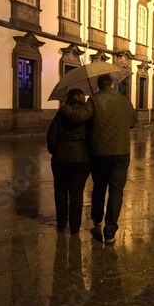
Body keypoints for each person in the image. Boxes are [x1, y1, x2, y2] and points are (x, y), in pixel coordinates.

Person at [60, 73, 136, 245]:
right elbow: (132, 122)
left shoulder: (93, 101)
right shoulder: (125, 101)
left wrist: (66, 108)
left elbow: (79, 117)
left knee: (99, 187)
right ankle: (110, 232)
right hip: (121, 153)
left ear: (98, 86)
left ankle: (97, 218)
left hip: (99, 153)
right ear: (113, 84)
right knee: (116, 191)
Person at [46, 89, 90, 235]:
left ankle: (61, 224)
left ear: (68, 99)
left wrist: (57, 151)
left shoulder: (60, 114)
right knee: (77, 193)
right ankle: (75, 228)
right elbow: (92, 137)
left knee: (60, 190)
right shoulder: (87, 116)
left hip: (61, 159)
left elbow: (51, 138)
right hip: (81, 159)